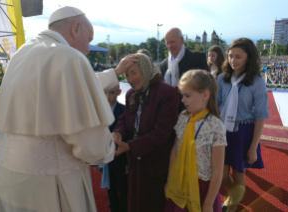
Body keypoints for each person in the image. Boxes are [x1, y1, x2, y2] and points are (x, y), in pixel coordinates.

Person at [0, 6, 138, 212]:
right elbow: (92, 147)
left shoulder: (25, 51)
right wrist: (109, 147)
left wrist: (115, 72)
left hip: (5, 173)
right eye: (89, 38)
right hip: (45, 184)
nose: (88, 49)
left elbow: (64, 85)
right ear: (76, 28)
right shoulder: (68, 56)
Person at [112, 53, 179, 212]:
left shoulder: (167, 93)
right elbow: (124, 119)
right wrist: (118, 133)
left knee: (153, 205)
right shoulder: (131, 94)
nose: (130, 79)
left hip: (156, 166)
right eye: (127, 75)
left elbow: (161, 134)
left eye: (134, 72)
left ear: (146, 69)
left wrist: (129, 146)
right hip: (136, 163)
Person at [217, 38, 269, 212]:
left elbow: (260, 117)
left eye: (238, 56)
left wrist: (253, 147)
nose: (233, 60)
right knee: (222, 175)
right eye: (230, 56)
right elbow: (216, 106)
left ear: (249, 57)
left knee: (238, 173)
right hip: (222, 131)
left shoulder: (257, 83)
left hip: (243, 132)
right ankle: (233, 198)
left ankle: (232, 207)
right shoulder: (221, 79)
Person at [164, 70, 227, 212]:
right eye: (182, 95)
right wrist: (169, 181)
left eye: (187, 96)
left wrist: (208, 204)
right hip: (180, 183)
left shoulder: (216, 126)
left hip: (203, 189)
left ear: (205, 95)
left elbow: (217, 170)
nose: (182, 100)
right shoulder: (183, 117)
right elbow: (175, 151)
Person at [94, 84, 127, 212]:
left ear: (119, 92)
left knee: (123, 190)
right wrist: (95, 160)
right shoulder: (97, 112)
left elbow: (128, 136)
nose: (108, 97)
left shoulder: (124, 110)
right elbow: (95, 136)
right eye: (105, 93)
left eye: (112, 93)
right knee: (111, 190)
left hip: (119, 158)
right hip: (104, 159)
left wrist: (128, 162)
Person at [159, 28, 208, 112]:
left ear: (181, 40)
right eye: (167, 43)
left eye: (173, 42)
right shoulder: (164, 64)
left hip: (195, 112)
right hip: (171, 112)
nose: (170, 45)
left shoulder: (197, 58)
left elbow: (207, 82)